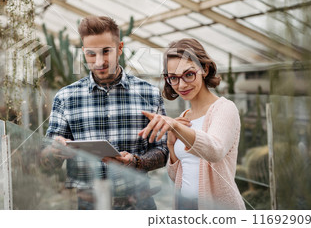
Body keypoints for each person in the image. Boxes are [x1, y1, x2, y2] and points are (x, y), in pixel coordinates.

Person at [41, 16, 168, 209]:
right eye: (91, 54)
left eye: (106, 51)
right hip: (89, 208)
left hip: (138, 206)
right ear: (84, 52)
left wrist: (136, 162)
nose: (99, 61)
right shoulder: (65, 97)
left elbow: (162, 151)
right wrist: (54, 151)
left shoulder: (149, 94)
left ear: (119, 48)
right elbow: (47, 161)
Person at [139, 38, 245, 210]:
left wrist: (176, 127)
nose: (181, 85)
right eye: (173, 78)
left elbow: (215, 150)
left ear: (205, 69)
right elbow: (176, 176)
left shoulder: (224, 109)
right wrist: (171, 145)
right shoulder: (184, 116)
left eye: (188, 74)